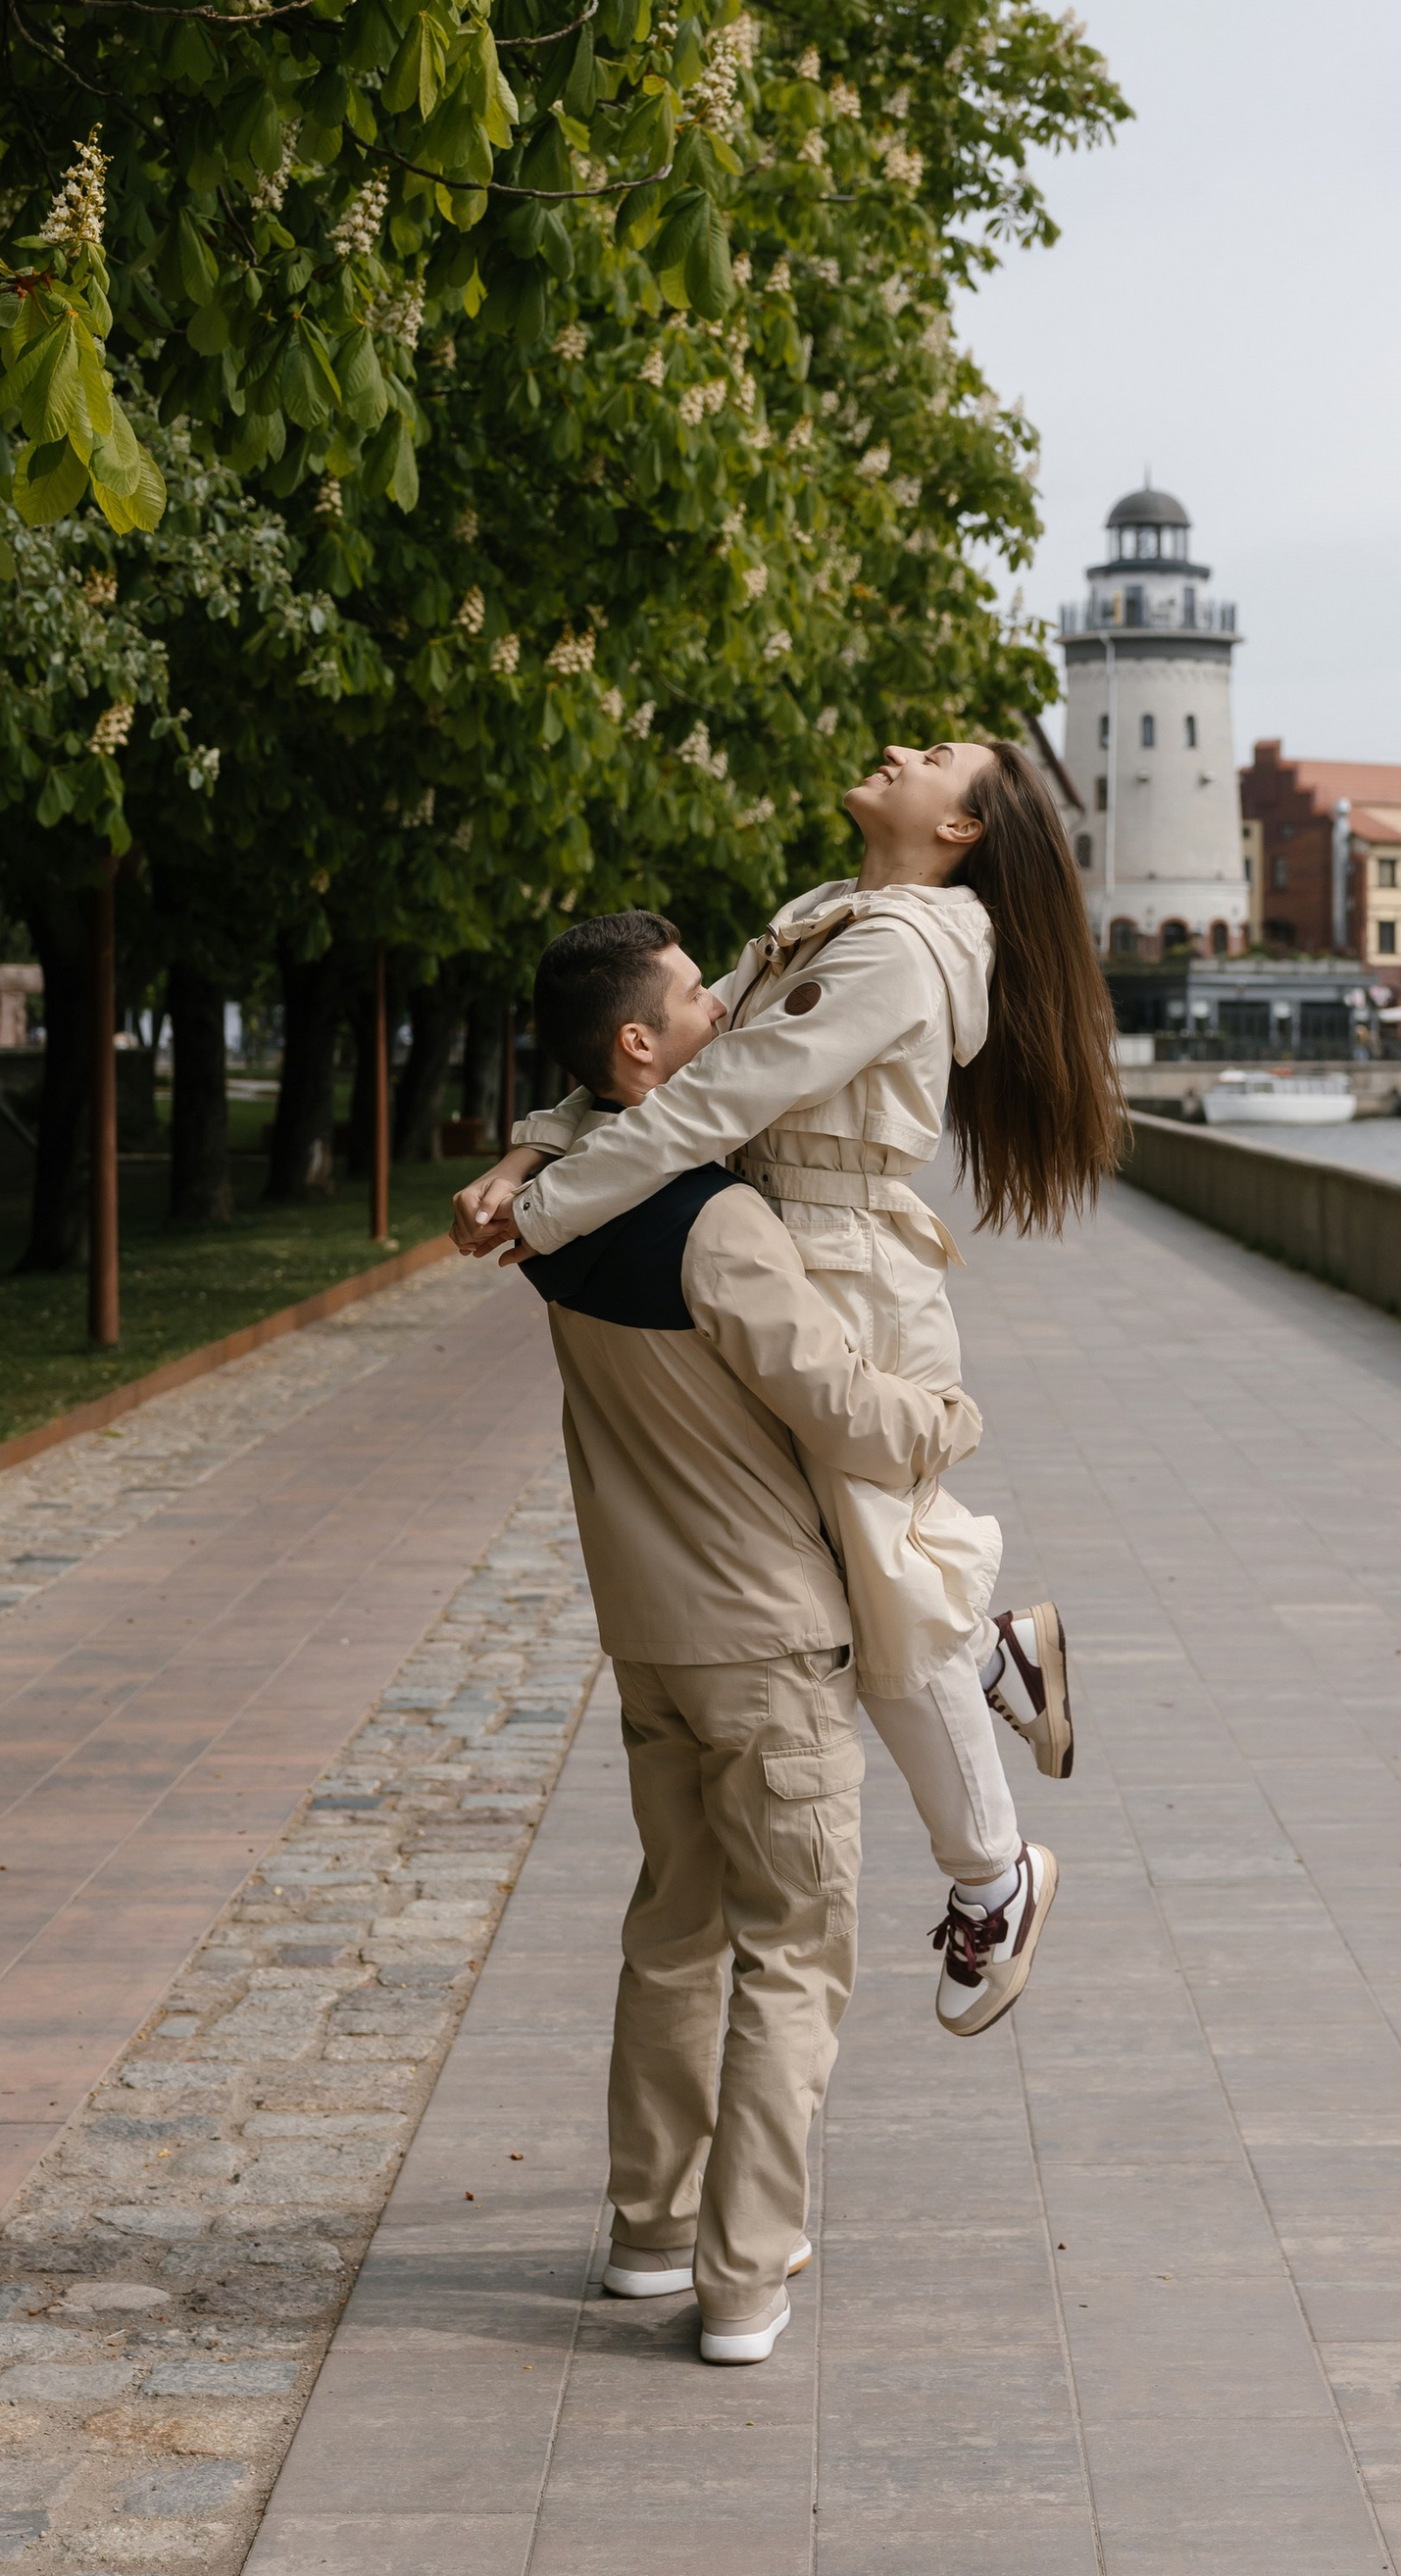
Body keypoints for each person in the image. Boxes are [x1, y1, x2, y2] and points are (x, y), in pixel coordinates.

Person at [457, 739, 1124, 2027]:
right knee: (863, 1588)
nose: (897, 750)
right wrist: (541, 1139)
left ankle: (996, 1878)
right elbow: (690, 1057)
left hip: (858, 1295)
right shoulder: (834, 910)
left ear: (964, 831)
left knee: (884, 1616)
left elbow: (719, 1100)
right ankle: (999, 1659)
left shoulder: (898, 952)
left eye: (935, 758)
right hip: (794, 1267)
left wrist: (544, 1208)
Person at [518, 911, 1000, 2365]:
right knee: (794, 1952)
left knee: (674, 1933)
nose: (721, 1018)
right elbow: (840, 1402)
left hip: (651, 1641)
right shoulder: (718, 1226)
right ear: (637, 1047)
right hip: (768, 1645)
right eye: (691, 1002)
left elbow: (551, 1146)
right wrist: (952, 1420)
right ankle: (743, 2281)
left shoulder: (561, 1204)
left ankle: (650, 2236)